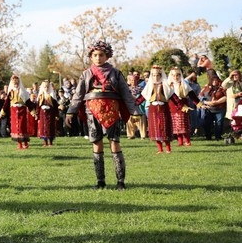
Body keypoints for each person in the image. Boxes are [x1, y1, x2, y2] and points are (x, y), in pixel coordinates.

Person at [66, 41, 139, 189]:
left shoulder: (116, 73)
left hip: (112, 109)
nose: (98, 58)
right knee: (97, 143)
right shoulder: (86, 74)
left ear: (107, 56)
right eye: (95, 55)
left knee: (114, 142)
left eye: (101, 55)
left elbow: (126, 93)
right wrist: (70, 111)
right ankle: (101, 182)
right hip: (92, 111)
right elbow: (78, 94)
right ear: (91, 57)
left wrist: (135, 112)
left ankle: (120, 182)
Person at [136, 65, 173, 153]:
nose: (156, 77)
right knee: (155, 128)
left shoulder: (165, 86)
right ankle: (160, 149)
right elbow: (141, 98)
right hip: (153, 109)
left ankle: (168, 148)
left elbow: (174, 97)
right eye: (153, 75)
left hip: (164, 109)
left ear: (161, 75)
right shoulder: (149, 86)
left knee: (165, 127)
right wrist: (132, 105)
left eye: (157, 75)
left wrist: (182, 106)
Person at [167, 67, 201, 147]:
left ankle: (187, 141)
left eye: (178, 75)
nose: (176, 77)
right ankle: (180, 142)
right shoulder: (168, 85)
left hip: (184, 105)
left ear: (180, 75)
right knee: (176, 125)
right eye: (174, 75)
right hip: (172, 106)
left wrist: (199, 103)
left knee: (184, 124)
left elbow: (192, 96)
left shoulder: (184, 84)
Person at [0, 75, 32, 149]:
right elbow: (6, 103)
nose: (15, 85)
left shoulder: (24, 92)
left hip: (22, 110)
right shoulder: (10, 93)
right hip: (14, 111)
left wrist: (33, 112)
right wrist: (2, 112)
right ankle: (19, 144)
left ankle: (25, 142)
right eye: (14, 84)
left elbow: (28, 102)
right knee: (16, 128)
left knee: (22, 127)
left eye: (16, 83)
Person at [199, 75, 227, 140]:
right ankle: (208, 136)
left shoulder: (222, 88)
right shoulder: (206, 88)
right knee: (207, 123)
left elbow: (225, 97)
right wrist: (206, 103)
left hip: (219, 108)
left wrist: (216, 102)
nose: (214, 82)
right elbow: (200, 96)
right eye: (213, 80)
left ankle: (218, 137)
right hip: (208, 109)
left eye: (216, 80)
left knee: (219, 123)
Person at [35, 81, 58, 147]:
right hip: (42, 113)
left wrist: (56, 114)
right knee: (43, 127)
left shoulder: (52, 95)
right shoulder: (41, 95)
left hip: (50, 113)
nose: (46, 88)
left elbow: (55, 105)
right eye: (45, 87)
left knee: (50, 126)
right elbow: (38, 106)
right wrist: (37, 114)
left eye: (47, 87)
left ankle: (50, 142)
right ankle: (45, 142)